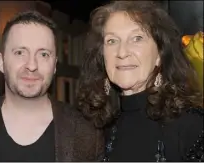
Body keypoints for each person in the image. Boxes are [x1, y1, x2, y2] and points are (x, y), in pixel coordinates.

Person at [0, 11, 103, 162]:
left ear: (55, 65)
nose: (32, 65)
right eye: (20, 52)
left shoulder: (87, 132)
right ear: (1, 62)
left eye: (43, 54)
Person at [77, 1, 203, 162]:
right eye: (112, 41)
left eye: (137, 38)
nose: (122, 52)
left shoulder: (193, 127)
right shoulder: (95, 131)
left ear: (160, 54)